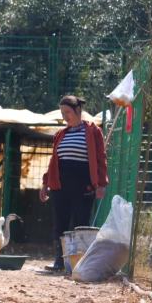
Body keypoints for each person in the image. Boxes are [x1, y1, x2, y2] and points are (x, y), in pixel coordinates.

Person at [39, 95, 108, 271]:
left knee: (80, 223)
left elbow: (101, 158)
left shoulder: (93, 131)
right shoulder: (60, 135)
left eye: (68, 112)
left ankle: (79, 263)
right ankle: (59, 261)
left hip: (84, 185)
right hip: (60, 185)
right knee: (60, 222)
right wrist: (45, 183)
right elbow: (54, 161)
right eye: (62, 113)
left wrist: (101, 184)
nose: (65, 116)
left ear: (78, 111)